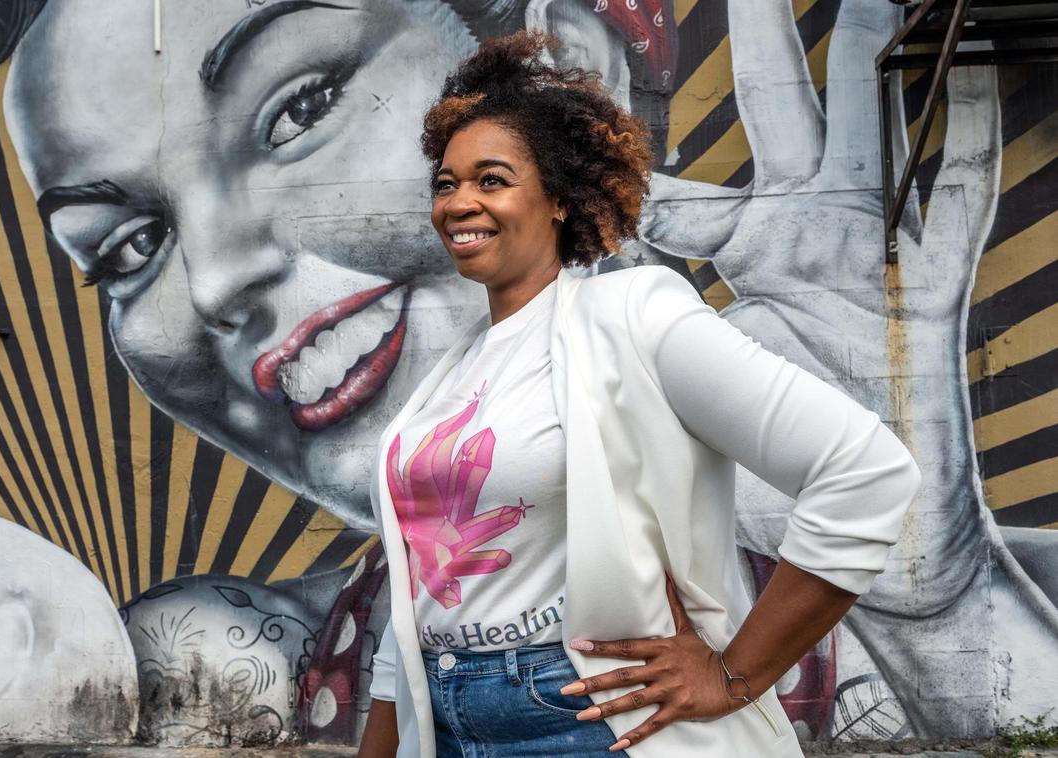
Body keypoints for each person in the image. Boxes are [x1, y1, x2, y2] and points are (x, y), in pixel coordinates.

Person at [358, 32, 922, 758]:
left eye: (491, 180)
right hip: (443, 725)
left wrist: (734, 676)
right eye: (446, 183)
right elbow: (414, 609)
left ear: (560, 199)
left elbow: (865, 470)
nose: (460, 202)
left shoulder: (636, 314)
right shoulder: (449, 378)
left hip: (588, 722)